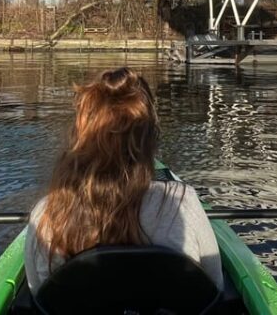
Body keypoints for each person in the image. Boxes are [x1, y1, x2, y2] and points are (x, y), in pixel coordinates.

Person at [24, 66, 223, 292]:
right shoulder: (181, 203)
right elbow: (214, 286)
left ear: (80, 137)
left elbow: (37, 294)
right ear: (149, 139)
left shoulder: (46, 214)